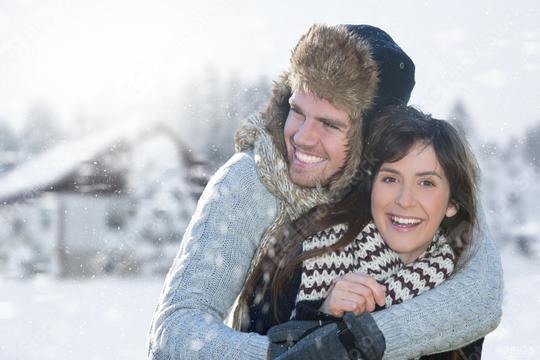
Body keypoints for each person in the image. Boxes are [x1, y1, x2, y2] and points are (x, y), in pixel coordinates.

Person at [147, 24, 502, 360]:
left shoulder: (404, 179)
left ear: (371, 135)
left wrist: (356, 341)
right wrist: (289, 353)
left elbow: (480, 295)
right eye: (297, 112)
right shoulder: (252, 181)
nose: (301, 137)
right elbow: (176, 330)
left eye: (330, 124)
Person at [246, 105, 485, 359]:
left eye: (426, 183)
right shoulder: (300, 256)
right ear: (371, 187)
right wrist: (322, 319)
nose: (405, 200)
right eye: (390, 179)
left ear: (451, 204)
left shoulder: (458, 295)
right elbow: (249, 348)